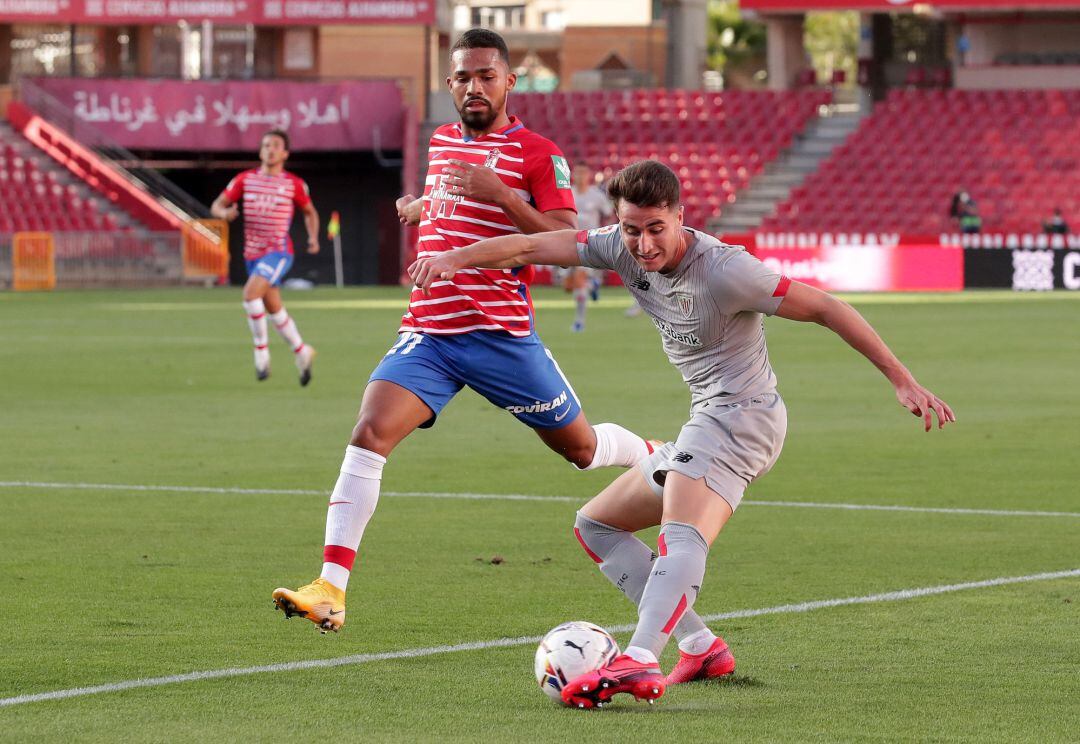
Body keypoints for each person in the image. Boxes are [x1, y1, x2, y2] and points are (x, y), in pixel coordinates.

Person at [409, 160, 956, 707]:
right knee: (597, 526)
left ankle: (641, 659)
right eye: (630, 230)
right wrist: (454, 258)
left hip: (744, 417)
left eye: (655, 229)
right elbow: (530, 248)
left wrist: (902, 380)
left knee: (681, 531)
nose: (642, 245)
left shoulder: (727, 270)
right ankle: (700, 645)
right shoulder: (618, 246)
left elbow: (825, 307)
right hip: (706, 417)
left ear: (679, 217)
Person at [272, 29, 657, 633]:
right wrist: (423, 207)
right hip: (430, 332)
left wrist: (500, 191)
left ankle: (659, 459)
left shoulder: (537, 152)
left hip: (500, 337)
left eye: (485, 75)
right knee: (369, 433)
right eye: (462, 78)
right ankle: (331, 587)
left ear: (508, 80)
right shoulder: (443, 139)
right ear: (449, 85)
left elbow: (563, 241)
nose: (473, 87)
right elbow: (450, 199)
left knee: (581, 452)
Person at [211, 129, 319, 385]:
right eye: (266, 145)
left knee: (250, 295)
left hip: (278, 252)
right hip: (252, 254)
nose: (270, 149)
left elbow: (309, 212)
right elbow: (217, 205)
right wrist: (223, 214)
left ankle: (261, 353)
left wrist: (312, 237)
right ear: (261, 151)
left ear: (284, 153)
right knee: (275, 310)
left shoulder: (293, 183)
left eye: (275, 145)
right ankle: (302, 351)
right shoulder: (245, 179)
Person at [565, 164, 613, 332]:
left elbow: (609, 213)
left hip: (589, 242)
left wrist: (605, 234)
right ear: (572, 174)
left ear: (589, 175)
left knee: (579, 280)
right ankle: (593, 284)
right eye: (577, 172)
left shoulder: (596, 195)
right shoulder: (568, 192)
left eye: (583, 172)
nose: (580, 176)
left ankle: (579, 322)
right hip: (568, 241)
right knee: (567, 285)